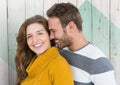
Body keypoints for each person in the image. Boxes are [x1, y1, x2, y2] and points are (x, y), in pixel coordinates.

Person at [47, 2, 117, 85]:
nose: (50, 37)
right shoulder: (59, 52)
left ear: (71, 27)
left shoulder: (99, 64)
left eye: (53, 31)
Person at [15, 15, 74, 85]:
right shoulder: (29, 64)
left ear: (50, 35)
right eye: (29, 36)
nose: (35, 40)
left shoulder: (59, 65)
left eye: (40, 33)